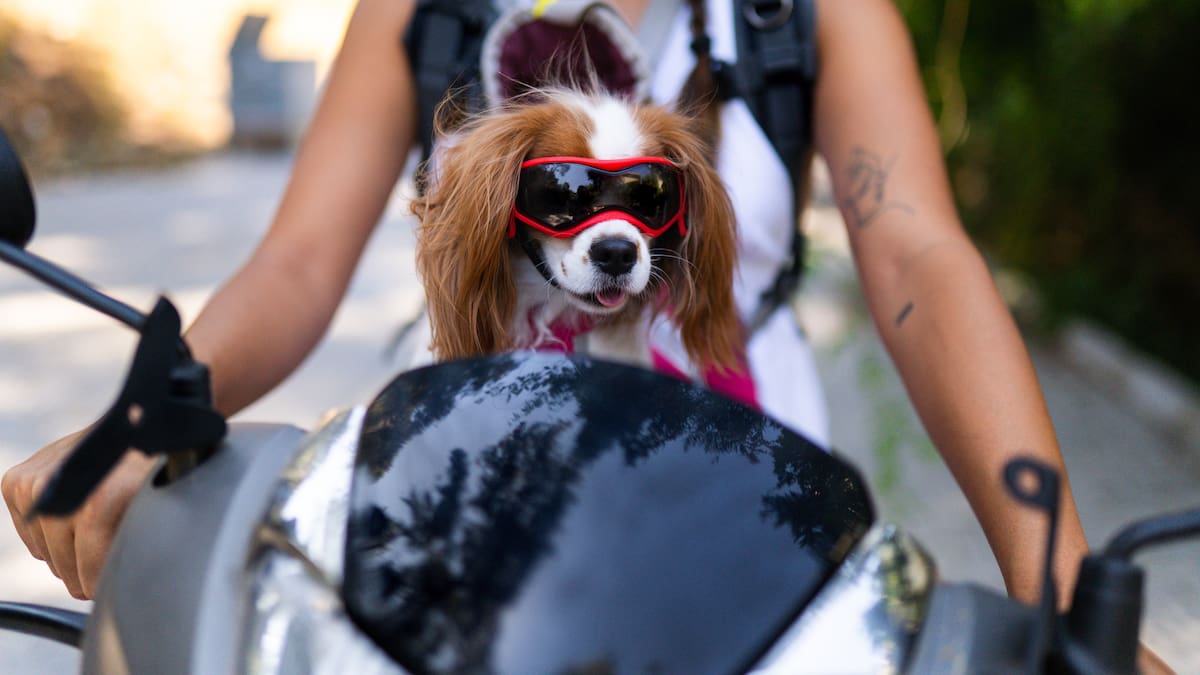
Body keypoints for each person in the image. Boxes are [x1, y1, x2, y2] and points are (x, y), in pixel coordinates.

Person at [0, 1, 1172, 670]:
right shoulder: (426, 11)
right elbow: (299, 263)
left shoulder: (800, 15)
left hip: (755, 513)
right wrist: (133, 436)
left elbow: (917, 252)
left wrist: (1066, 589)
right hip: (451, 494)